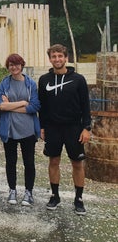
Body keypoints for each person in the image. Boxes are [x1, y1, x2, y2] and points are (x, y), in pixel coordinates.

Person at [38, 44, 91, 215]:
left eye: (60, 56)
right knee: (53, 161)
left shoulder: (78, 79)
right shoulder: (44, 80)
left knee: (77, 163)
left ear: (66, 58)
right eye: (54, 56)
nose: (57, 59)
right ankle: (55, 196)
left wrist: (86, 128)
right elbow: (42, 107)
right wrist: (42, 127)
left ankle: (79, 199)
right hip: (53, 128)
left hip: (74, 128)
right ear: (50, 59)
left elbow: (86, 106)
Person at [0, 54, 41, 206]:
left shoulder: (30, 84)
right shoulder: (4, 83)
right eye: (11, 65)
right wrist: (22, 102)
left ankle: (29, 192)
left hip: (28, 129)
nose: (14, 67)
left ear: (22, 65)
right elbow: (2, 106)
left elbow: (35, 106)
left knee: (29, 162)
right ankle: (12, 190)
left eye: (16, 64)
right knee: (11, 161)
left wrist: (11, 106)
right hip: (9, 129)